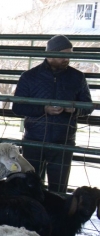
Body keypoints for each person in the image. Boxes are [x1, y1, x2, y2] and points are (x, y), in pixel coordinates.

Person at [11, 35, 94, 192]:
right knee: (30, 187)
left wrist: (74, 108)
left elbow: (88, 106)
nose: (67, 58)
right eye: (64, 54)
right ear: (50, 54)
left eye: (70, 54)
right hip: (34, 140)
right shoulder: (29, 76)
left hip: (63, 142)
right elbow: (17, 107)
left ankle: (55, 215)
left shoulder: (77, 77)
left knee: (58, 189)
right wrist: (43, 109)